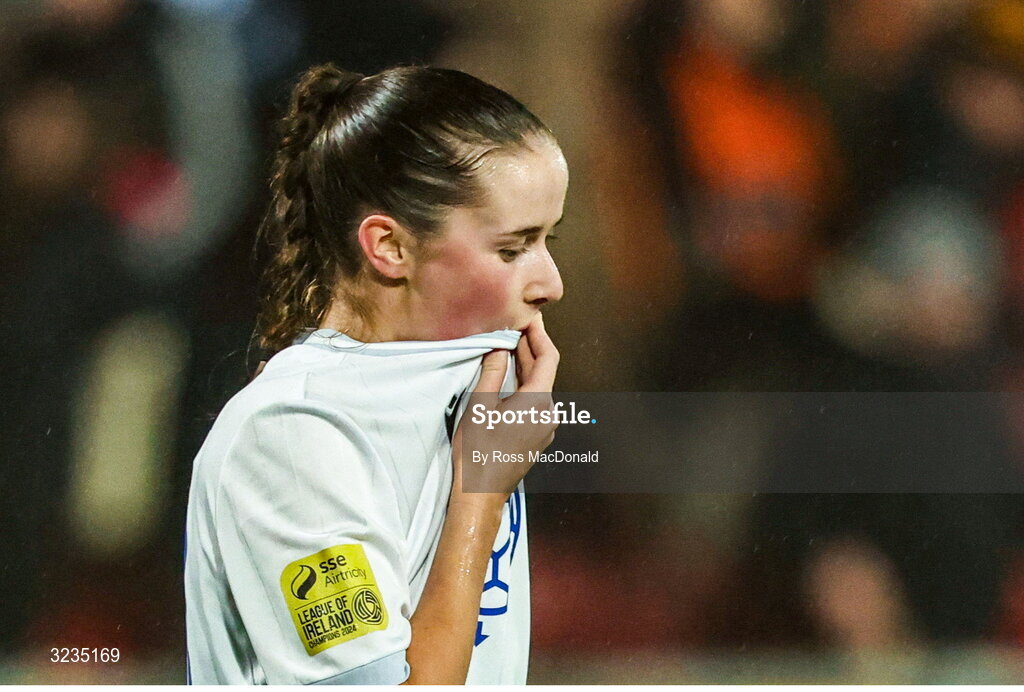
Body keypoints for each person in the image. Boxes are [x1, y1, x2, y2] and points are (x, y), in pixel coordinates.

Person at [183, 63, 567, 684]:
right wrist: (481, 495)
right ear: (389, 247)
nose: (551, 284)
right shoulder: (291, 436)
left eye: (550, 240)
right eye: (512, 248)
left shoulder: (476, 393)